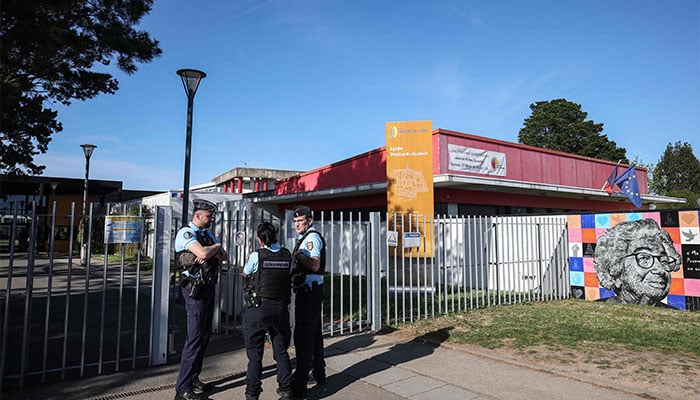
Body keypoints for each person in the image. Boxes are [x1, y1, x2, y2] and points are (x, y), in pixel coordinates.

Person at [174, 199, 227, 400]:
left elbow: (224, 256)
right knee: (194, 337)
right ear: (198, 215)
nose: (211, 218)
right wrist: (213, 248)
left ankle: (194, 378)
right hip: (194, 289)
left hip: (208, 286)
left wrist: (213, 249)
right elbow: (205, 252)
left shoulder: (207, 234)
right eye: (208, 215)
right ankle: (182, 388)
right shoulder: (187, 233)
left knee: (204, 337)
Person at [242, 222, 294, 400]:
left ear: (259, 239)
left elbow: (245, 273)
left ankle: (252, 393)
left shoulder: (257, 255)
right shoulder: (287, 255)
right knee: (281, 350)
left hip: (258, 308)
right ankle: (286, 390)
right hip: (280, 308)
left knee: (255, 355)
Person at [594, 218, 681, 308]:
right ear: (615, 270)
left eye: (664, 260)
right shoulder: (595, 312)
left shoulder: (677, 318)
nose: (660, 269)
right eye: (644, 258)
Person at [289, 205, 326, 400]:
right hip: (311, 292)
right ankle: (319, 373)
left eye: (300, 221)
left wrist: (298, 256)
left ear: (309, 221)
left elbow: (315, 264)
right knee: (315, 334)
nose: (297, 224)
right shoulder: (305, 237)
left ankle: (300, 386)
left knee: (303, 338)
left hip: (308, 292)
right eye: (295, 221)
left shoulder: (311, 238)